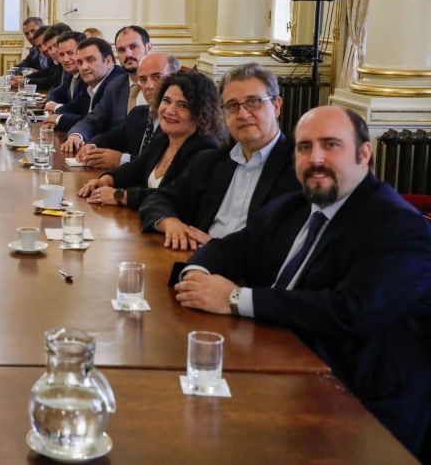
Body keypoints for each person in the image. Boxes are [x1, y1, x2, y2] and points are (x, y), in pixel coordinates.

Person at [174, 106, 431, 460]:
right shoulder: (293, 207)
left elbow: (351, 312)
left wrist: (234, 298)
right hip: (275, 364)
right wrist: (197, 276)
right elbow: (231, 249)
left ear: (364, 154)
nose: (316, 159)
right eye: (305, 147)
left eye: (331, 145)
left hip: (357, 404)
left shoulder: (400, 227)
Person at [140, 63, 300, 250]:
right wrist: (171, 223)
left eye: (253, 102)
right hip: (195, 262)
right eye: (232, 105)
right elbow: (158, 199)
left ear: (276, 106)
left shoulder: (298, 166)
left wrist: (219, 249)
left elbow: (285, 244)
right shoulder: (209, 162)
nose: (242, 113)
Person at [77, 70, 224, 209]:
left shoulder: (204, 149)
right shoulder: (164, 136)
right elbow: (135, 168)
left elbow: (175, 197)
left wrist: (120, 195)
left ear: (202, 112)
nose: (170, 110)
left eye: (182, 105)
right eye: (166, 101)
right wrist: (105, 180)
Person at [76, 52, 179, 170]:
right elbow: (114, 138)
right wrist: (92, 145)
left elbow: (166, 164)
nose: (149, 86)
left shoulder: (177, 120)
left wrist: (122, 159)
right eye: (143, 79)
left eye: (157, 77)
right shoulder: (138, 113)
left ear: (176, 78)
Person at [61, 25, 154, 153]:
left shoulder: (161, 86)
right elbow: (93, 120)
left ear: (148, 48)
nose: (128, 54)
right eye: (121, 50)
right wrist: (76, 135)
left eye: (133, 47)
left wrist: (122, 160)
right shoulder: (117, 85)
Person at [45, 36, 125, 133]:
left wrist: (59, 119)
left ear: (108, 61)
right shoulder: (91, 81)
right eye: (80, 62)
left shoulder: (117, 84)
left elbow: (99, 123)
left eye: (91, 60)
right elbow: (76, 107)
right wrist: (55, 116)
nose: (84, 67)